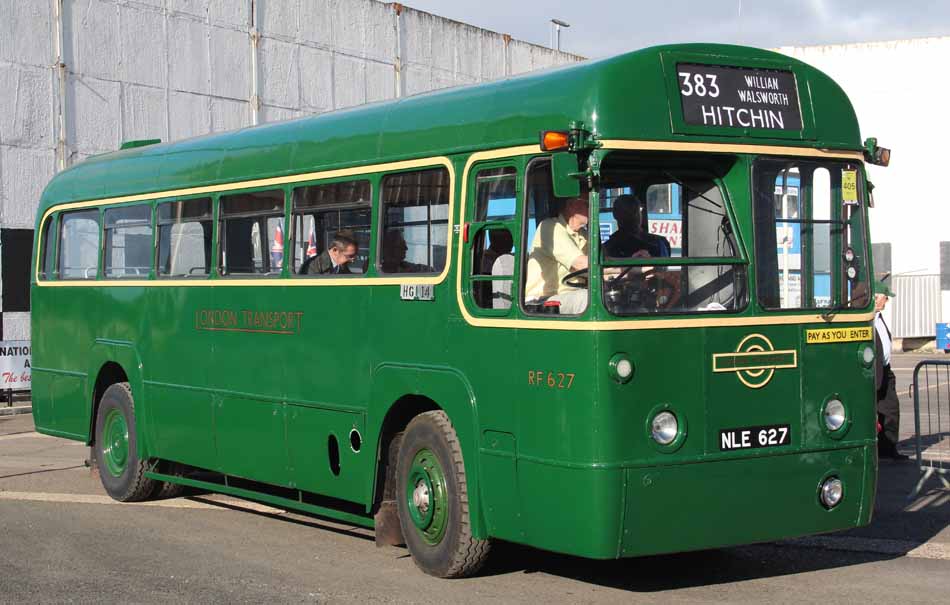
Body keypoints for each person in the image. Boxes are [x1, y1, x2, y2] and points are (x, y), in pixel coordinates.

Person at [523, 194, 589, 314]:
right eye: (587, 203)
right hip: (541, 300)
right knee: (587, 299)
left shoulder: (584, 235)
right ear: (571, 206)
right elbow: (580, 264)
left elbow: (603, 264)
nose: (592, 208)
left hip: (569, 296)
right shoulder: (550, 227)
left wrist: (628, 270)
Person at [874, 280, 907, 460]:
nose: (886, 302)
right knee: (872, 414)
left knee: (891, 410)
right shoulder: (867, 319)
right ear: (876, 298)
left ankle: (889, 449)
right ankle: (877, 451)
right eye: (885, 298)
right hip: (874, 374)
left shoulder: (879, 319)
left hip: (886, 372)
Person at [604, 193, 671, 259]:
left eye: (634, 211)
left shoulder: (607, 247)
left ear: (614, 215)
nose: (633, 216)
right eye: (627, 212)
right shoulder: (659, 243)